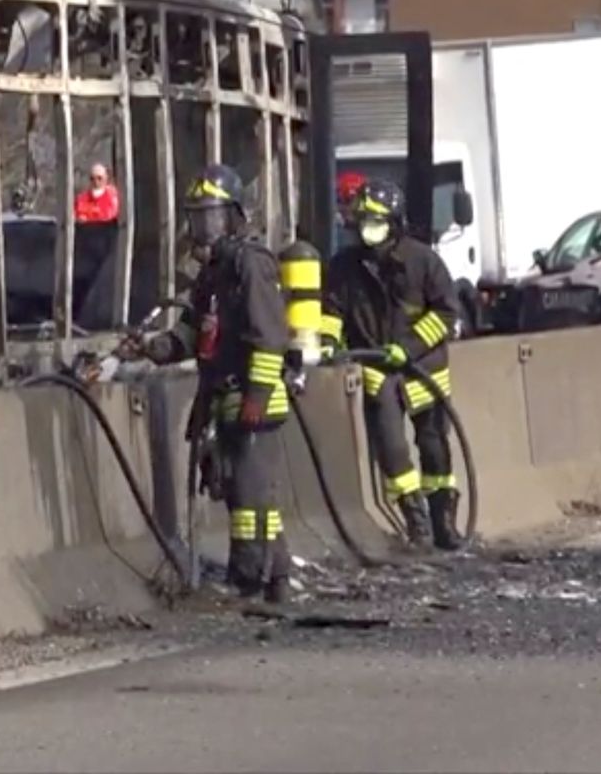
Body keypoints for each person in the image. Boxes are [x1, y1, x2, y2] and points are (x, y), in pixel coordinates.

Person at [137, 164, 294, 602]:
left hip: (253, 398)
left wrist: (256, 399)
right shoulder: (211, 274)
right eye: (197, 217)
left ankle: (246, 582)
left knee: (248, 499)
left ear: (235, 216)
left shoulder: (251, 263)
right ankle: (277, 577)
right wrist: (153, 348)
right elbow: (192, 333)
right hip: (223, 396)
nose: (203, 227)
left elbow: (269, 337)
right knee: (247, 492)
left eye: (212, 216)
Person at [322, 178, 463, 551]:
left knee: (434, 448)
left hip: (425, 371)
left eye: (376, 220)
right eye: (363, 219)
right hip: (377, 372)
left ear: (395, 223)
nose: (367, 227)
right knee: (392, 450)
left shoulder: (423, 261)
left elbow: (447, 313)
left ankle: (443, 521)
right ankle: (417, 524)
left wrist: (409, 347)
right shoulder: (344, 267)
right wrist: (327, 342)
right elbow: (332, 312)